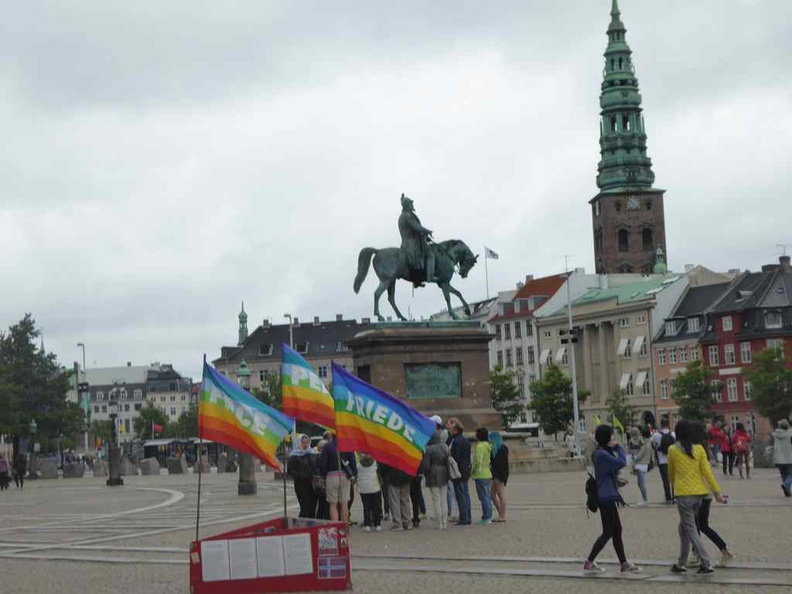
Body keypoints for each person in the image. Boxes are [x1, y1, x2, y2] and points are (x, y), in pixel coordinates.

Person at [668, 419, 726, 575]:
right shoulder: (699, 449)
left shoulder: (673, 450)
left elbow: (671, 474)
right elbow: (708, 473)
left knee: (691, 529)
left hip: (684, 496)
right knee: (683, 529)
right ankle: (682, 563)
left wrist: (676, 486)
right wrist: (717, 493)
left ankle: (706, 563)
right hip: (699, 495)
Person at [584, 425, 641, 573]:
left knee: (616, 530)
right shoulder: (601, 454)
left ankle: (623, 563)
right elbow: (621, 462)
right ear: (606, 438)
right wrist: (620, 448)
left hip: (608, 496)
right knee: (608, 532)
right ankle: (589, 561)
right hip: (606, 497)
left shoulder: (601, 452)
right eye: (612, 436)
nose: (614, 439)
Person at [690, 421, 733, 567]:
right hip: (705, 494)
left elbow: (706, 475)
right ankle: (698, 553)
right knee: (698, 525)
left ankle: (722, 551)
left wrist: (717, 494)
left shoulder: (695, 451)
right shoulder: (703, 448)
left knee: (699, 525)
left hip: (699, 493)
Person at [317, 431, 357, 524]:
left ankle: (335, 526)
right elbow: (353, 462)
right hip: (344, 476)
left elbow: (323, 463)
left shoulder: (328, 446)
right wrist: (354, 474)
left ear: (332, 435)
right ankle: (344, 526)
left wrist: (324, 475)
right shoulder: (348, 445)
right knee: (344, 503)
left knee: (333, 504)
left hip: (331, 476)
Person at [398, 193, 437, 283]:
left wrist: (425, 237)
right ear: (408, 205)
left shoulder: (402, 216)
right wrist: (427, 231)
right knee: (430, 254)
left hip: (406, 242)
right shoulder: (408, 215)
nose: (412, 205)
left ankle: (417, 281)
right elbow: (416, 227)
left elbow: (414, 230)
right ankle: (430, 276)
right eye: (411, 204)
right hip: (412, 243)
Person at [421, 429, 449, 529]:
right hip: (444, 472)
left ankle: (439, 523)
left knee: (436, 499)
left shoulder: (428, 449)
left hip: (433, 473)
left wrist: (424, 472)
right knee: (443, 499)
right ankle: (445, 522)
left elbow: (426, 465)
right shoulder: (445, 447)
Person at [448, 418, 472, 526]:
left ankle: (464, 518)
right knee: (466, 494)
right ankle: (468, 516)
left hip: (458, 471)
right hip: (466, 469)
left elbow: (455, 458)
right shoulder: (466, 440)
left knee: (460, 495)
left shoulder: (456, 442)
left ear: (455, 429)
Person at [286, 434, 317, 518]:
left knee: (312, 506)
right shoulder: (294, 456)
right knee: (305, 507)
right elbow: (290, 470)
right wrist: (300, 476)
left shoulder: (311, 453)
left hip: (311, 484)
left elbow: (315, 466)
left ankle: (311, 526)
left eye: (307, 442)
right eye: (303, 443)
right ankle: (302, 525)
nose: (305, 445)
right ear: (299, 443)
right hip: (301, 484)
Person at [380, 463, 413, 530]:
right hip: (406, 477)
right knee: (405, 501)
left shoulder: (389, 454)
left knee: (395, 501)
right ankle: (407, 522)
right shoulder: (405, 453)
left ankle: (398, 523)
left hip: (393, 478)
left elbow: (382, 469)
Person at [471, 427, 493, 525]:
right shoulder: (488, 445)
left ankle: (486, 517)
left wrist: (473, 470)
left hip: (480, 474)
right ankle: (488, 515)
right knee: (486, 496)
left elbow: (477, 460)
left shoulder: (479, 446)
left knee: (483, 497)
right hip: (487, 472)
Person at [651, 417, 675, 503]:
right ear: (668, 424)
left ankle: (668, 497)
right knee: (673, 479)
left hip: (662, 460)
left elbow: (653, 445)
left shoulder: (656, 435)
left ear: (661, 425)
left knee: (665, 480)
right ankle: (675, 496)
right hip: (672, 460)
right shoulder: (673, 434)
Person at [357, 454, 383, 532]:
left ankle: (367, 524)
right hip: (375, 486)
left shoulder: (358, 464)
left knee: (366, 506)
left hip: (363, 488)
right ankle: (378, 524)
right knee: (377, 506)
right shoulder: (375, 462)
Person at [489, 431, 509, 522]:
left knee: (501, 494)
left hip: (499, 474)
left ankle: (503, 515)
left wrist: (503, 477)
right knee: (492, 494)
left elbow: (503, 465)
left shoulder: (502, 449)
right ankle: (500, 513)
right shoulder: (494, 449)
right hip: (495, 474)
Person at [630, 427, 652, 506]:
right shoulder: (645, 441)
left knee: (641, 483)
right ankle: (644, 499)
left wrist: (634, 458)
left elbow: (640, 452)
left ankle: (645, 500)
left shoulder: (643, 442)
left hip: (641, 463)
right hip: (642, 463)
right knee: (640, 483)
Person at [771, 419, 792, 497]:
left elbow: (774, 448)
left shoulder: (775, 435)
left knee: (784, 475)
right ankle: (786, 485)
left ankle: (787, 492)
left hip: (779, 459)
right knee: (790, 475)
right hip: (789, 458)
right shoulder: (790, 435)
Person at [314, 440, 329, 520]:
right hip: (323, 482)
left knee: (321, 503)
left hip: (317, 483)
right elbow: (324, 469)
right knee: (325, 504)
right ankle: (325, 519)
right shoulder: (322, 457)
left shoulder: (316, 456)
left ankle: (319, 518)